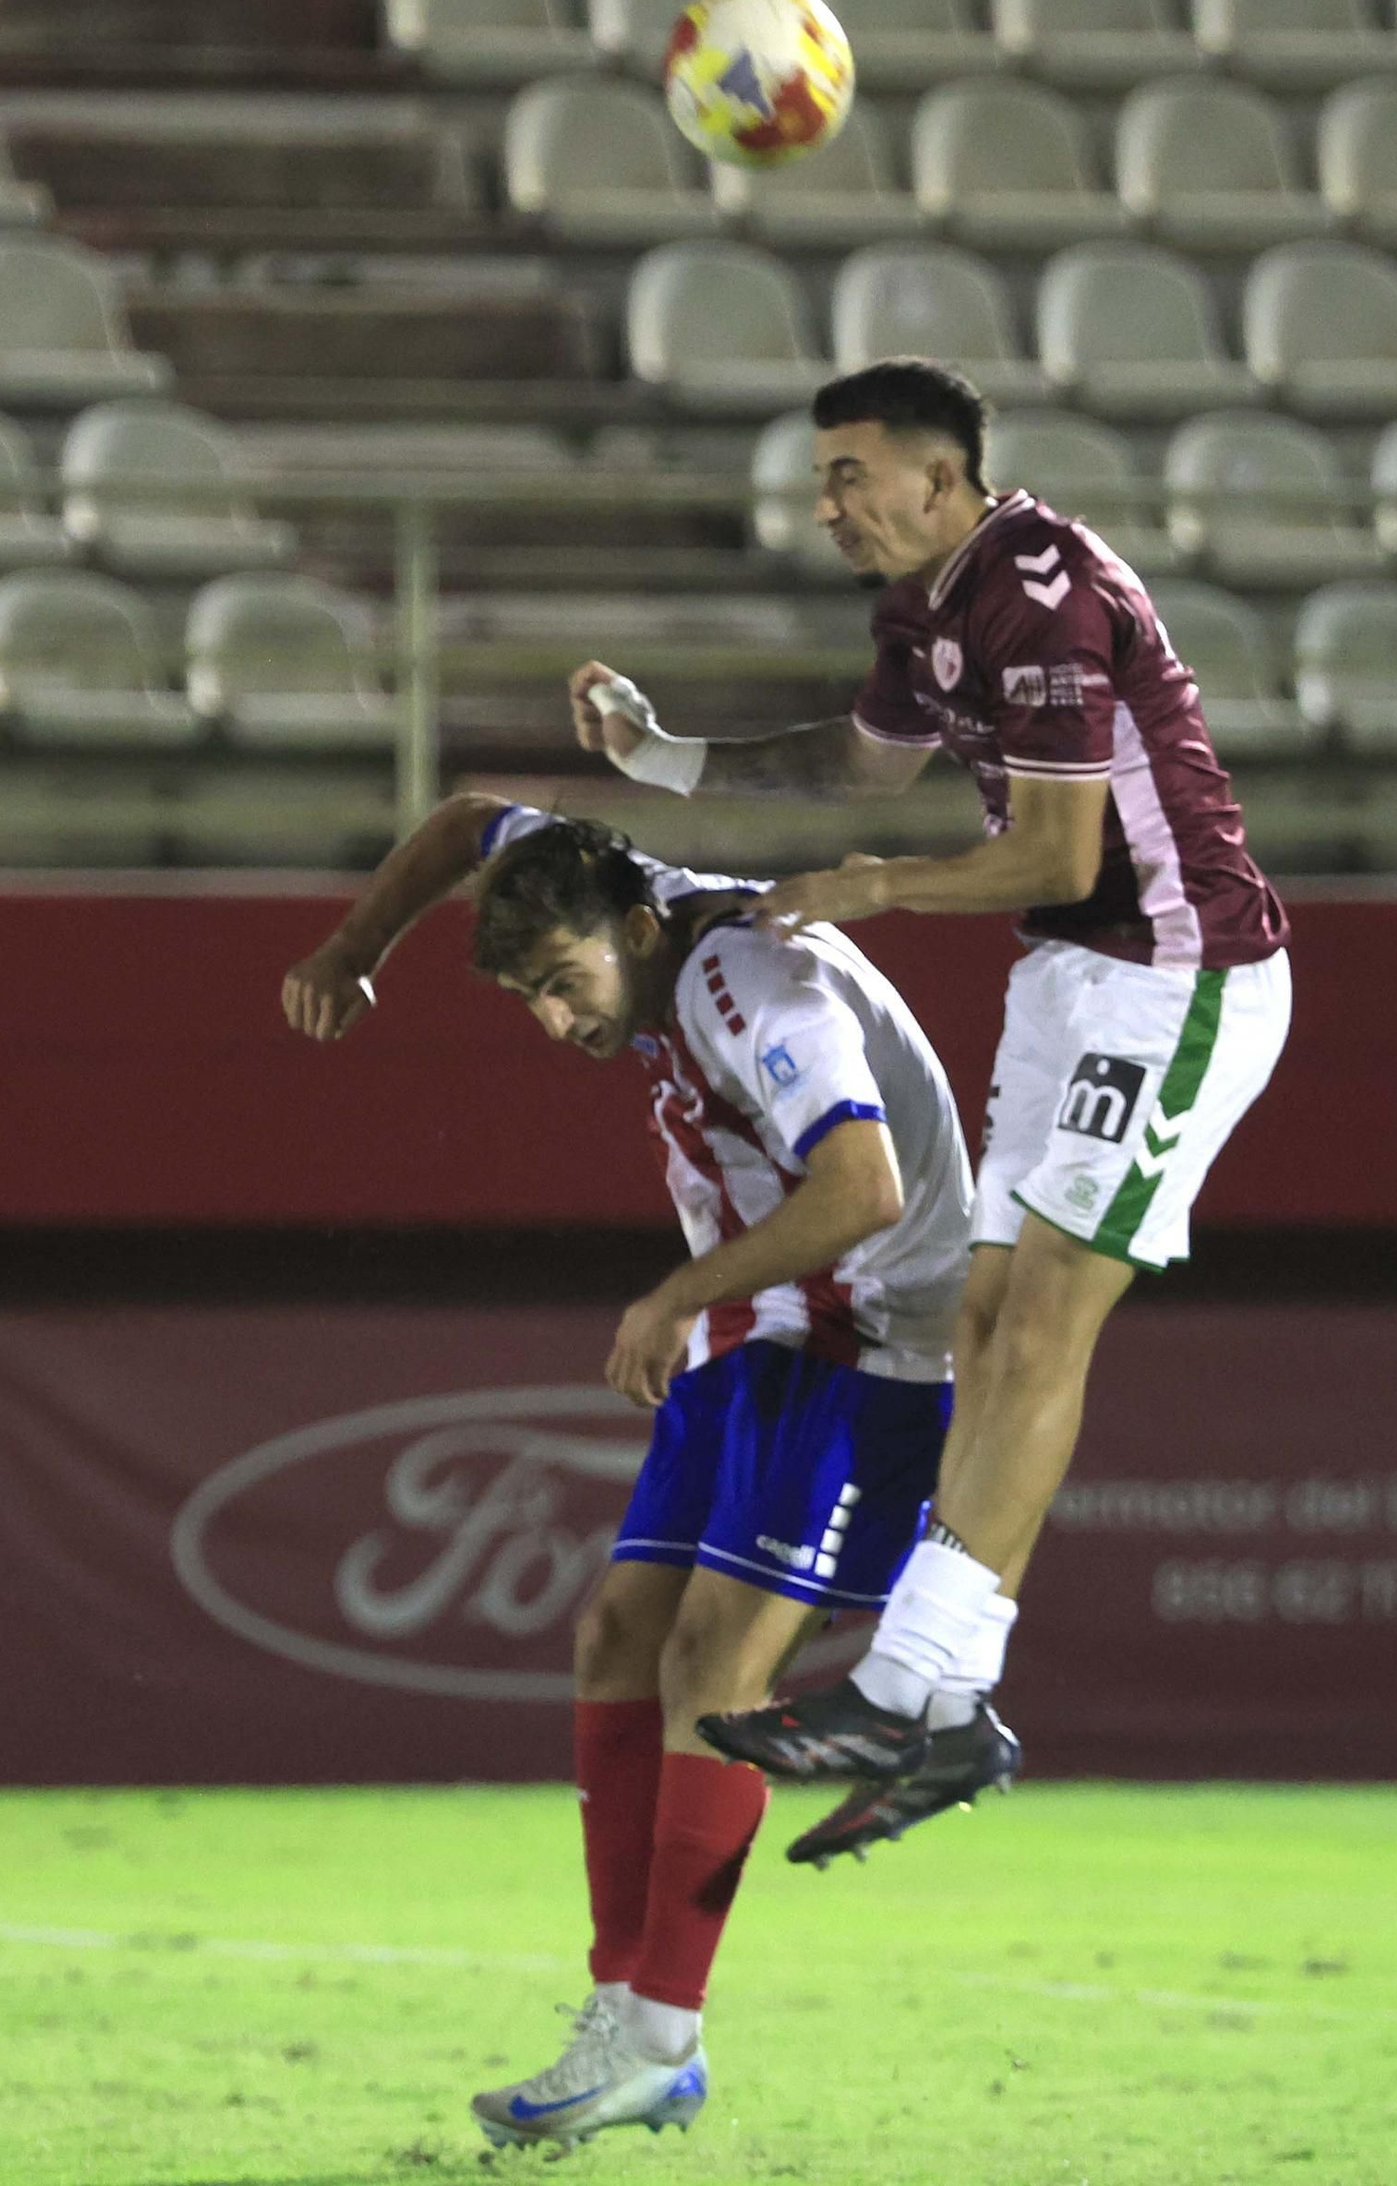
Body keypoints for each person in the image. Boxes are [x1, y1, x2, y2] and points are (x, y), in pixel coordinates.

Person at [568, 354, 1292, 1865]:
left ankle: (905, 1681)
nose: (826, 502)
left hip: (1177, 972)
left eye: (849, 474)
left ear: (939, 478)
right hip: (1070, 981)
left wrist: (875, 889)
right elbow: (859, 760)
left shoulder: (1034, 587)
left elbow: (1052, 848)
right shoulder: (929, 604)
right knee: (979, 1326)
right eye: (822, 476)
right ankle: (957, 1701)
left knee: (1041, 1324)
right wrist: (663, 757)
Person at [281, 789, 1002, 2152]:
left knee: (713, 1668)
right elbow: (465, 821)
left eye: (563, 985)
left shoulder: (745, 979)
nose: (559, 1024)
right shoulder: (608, 878)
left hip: (860, 1337)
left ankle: (664, 2027)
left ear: (632, 929)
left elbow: (864, 1189)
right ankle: (626, 2009)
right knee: (618, 1632)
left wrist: (672, 1295)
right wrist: (357, 945)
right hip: (765, 1324)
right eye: (530, 1001)